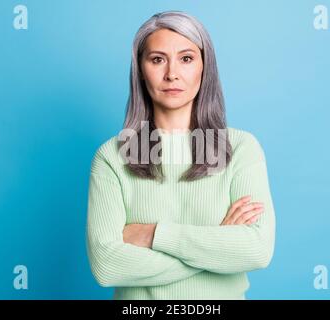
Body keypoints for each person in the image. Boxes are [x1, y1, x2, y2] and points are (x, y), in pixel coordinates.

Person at [86, 10, 276, 300]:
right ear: (140, 69)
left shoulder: (240, 148)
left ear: (204, 67)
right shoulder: (112, 157)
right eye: (157, 59)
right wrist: (216, 247)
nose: (172, 73)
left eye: (186, 58)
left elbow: (257, 250)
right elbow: (106, 266)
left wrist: (154, 235)